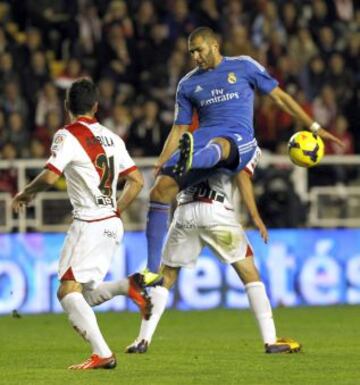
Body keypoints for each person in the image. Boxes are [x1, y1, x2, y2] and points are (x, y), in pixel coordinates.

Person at [145, 26, 343, 274]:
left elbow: (279, 97)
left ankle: (192, 159)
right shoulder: (187, 84)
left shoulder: (244, 66)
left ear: (214, 45)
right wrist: (162, 161)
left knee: (223, 145)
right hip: (201, 145)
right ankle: (150, 272)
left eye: (199, 50)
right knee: (159, 191)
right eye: (191, 52)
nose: (195, 56)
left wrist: (314, 126)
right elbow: (178, 129)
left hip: (238, 140)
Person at [11, 78, 152, 370]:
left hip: (89, 223)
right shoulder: (113, 137)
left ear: (66, 107)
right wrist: (115, 210)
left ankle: (102, 353)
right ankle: (127, 285)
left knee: (66, 292)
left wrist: (26, 193)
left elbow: (50, 176)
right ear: (96, 106)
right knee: (83, 294)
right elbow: (137, 181)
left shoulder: (66, 135)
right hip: (111, 224)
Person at [125, 150, 301, 354]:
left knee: (166, 277)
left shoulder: (191, 142)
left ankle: (142, 339)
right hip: (216, 212)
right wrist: (255, 216)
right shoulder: (242, 141)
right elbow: (243, 176)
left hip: (185, 211)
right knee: (249, 274)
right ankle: (270, 340)